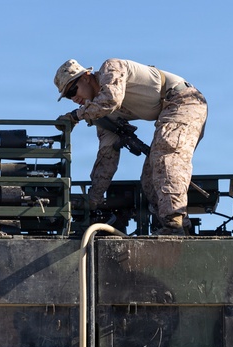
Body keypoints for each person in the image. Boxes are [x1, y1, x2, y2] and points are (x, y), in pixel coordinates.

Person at [55, 58, 207, 235]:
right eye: (68, 96)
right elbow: (107, 157)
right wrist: (93, 199)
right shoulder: (102, 115)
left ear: (86, 77)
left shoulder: (111, 68)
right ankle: (181, 228)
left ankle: (174, 223)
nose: (74, 98)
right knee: (149, 180)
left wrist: (75, 116)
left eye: (73, 90)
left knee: (166, 155)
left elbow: (110, 100)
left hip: (184, 101)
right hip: (168, 112)